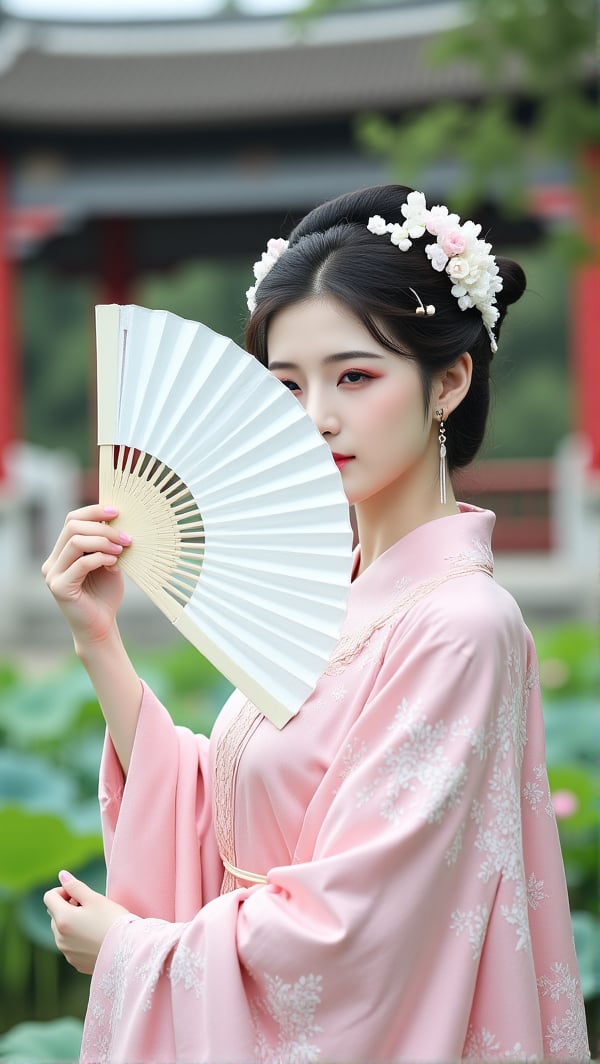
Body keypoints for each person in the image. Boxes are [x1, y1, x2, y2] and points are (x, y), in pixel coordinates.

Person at [43, 185, 590, 1063]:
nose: (315, 417)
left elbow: (354, 933)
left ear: (448, 381)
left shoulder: (462, 624)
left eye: (356, 377)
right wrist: (97, 639)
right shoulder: (334, 600)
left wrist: (133, 951)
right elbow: (233, 813)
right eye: (286, 384)